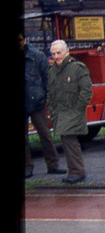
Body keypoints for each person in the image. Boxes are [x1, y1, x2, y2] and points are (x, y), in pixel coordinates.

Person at [46, 39, 92, 184]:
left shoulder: (78, 68)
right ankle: (74, 171)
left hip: (73, 111)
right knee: (67, 142)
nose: (56, 56)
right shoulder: (52, 71)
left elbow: (86, 91)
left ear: (67, 52)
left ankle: (77, 172)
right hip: (59, 113)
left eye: (59, 52)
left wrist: (78, 108)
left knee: (70, 141)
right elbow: (51, 93)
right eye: (53, 53)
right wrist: (52, 111)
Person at [22, 33, 63, 178]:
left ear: (24, 40)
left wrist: (48, 97)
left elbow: (48, 78)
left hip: (36, 101)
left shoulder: (36, 56)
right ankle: (27, 167)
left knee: (45, 134)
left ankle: (53, 164)